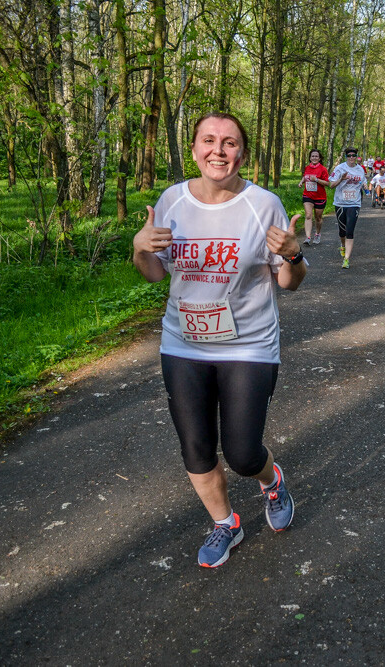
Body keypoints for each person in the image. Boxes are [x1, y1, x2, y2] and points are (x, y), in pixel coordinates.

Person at [133, 112, 307, 568]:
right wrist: (139, 247)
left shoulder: (262, 204)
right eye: (208, 141)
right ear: (193, 149)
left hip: (248, 345)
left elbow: (290, 282)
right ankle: (226, 523)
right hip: (183, 344)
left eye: (229, 143)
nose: (218, 151)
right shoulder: (171, 200)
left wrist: (294, 253)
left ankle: (271, 481)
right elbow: (154, 274)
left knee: (244, 453)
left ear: (242, 153)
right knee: (196, 447)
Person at [327, 147, 366, 269]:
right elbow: (331, 185)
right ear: (346, 157)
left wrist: (365, 187)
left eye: (354, 155)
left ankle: (346, 259)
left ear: (356, 156)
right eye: (349, 155)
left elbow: (363, 183)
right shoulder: (340, 168)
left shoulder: (360, 170)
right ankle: (342, 245)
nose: (351, 158)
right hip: (340, 203)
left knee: (350, 231)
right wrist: (341, 179)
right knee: (342, 231)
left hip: (354, 203)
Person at [298, 148, 330, 246]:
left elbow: (327, 183)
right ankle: (308, 237)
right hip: (308, 195)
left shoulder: (323, 169)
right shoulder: (307, 168)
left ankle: (317, 234)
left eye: (316, 156)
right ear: (310, 158)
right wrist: (301, 181)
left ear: (319, 158)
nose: (314, 158)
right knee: (308, 215)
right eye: (312, 156)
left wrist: (316, 180)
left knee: (318, 218)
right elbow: (305, 176)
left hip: (320, 197)